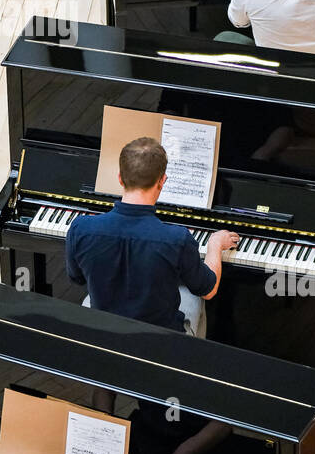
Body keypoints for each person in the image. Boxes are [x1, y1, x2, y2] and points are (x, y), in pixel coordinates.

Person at [65, 136, 238, 338]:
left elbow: (76, 277)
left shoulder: (80, 228)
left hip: (106, 334)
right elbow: (208, 289)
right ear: (162, 181)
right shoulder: (177, 238)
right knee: (195, 295)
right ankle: (189, 360)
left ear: (120, 178)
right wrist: (215, 245)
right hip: (159, 343)